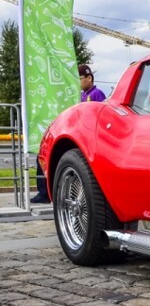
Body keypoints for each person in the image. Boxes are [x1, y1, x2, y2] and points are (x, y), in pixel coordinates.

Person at [31, 64, 106, 203]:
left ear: (89, 78)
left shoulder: (97, 94)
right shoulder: (83, 95)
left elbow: (102, 116)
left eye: (80, 78)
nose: (78, 82)